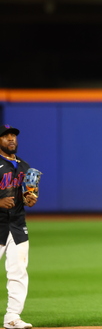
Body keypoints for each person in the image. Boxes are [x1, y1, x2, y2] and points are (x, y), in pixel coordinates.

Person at [0, 125, 38, 329]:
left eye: (13, 135)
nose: (11, 139)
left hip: (17, 225)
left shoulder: (24, 166)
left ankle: (12, 317)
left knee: (18, 272)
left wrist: (29, 199)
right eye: (5, 136)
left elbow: (26, 196)